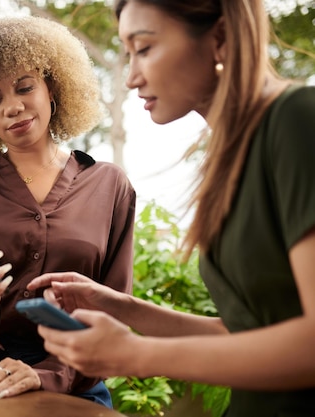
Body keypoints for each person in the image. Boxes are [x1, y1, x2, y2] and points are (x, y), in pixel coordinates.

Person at [27, 1, 315, 416]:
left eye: (143, 48)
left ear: (218, 38)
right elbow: (245, 333)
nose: (130, 78)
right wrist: (119, 306)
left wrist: (134, 355)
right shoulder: (233, 155)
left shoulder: (296, 121)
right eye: (128, 55)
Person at [0, 15, 136, 407]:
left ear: (53, 87)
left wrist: (48, 372)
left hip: (69, 375)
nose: (12, 108)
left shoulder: (110, 186)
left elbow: (114, 306)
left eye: (24, 87)